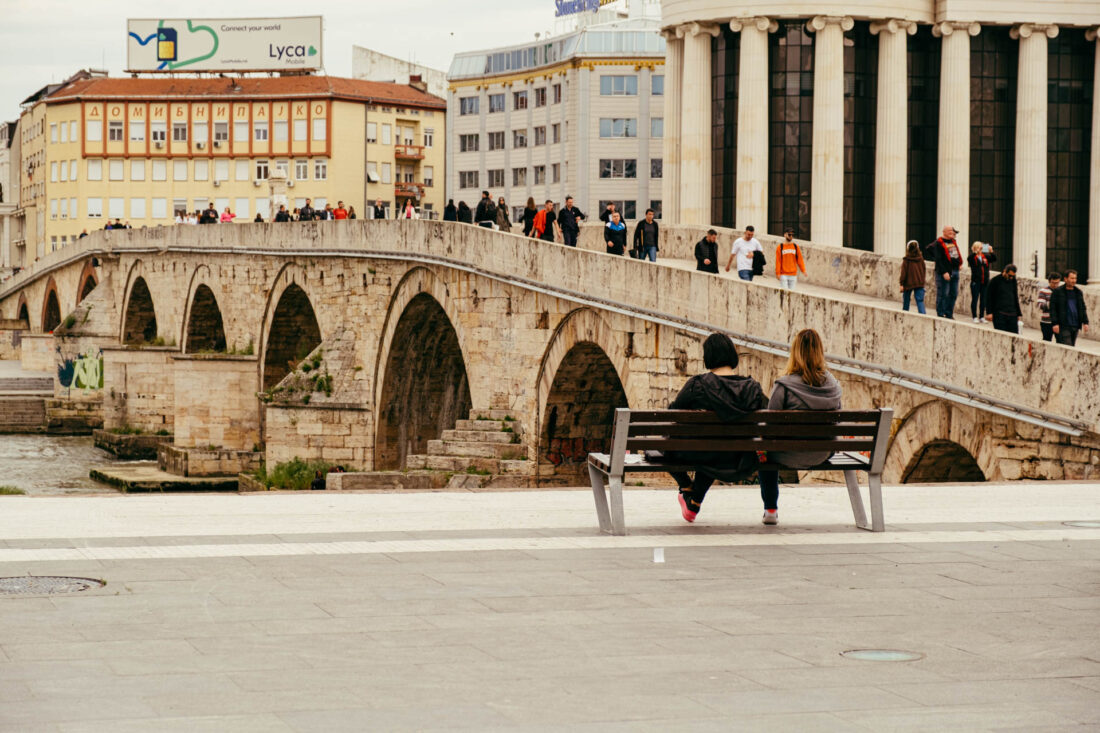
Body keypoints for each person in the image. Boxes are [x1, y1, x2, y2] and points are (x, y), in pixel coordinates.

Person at [666, 333, 767, 522]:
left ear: (708, 357)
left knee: (667, 445)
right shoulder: (753, 388)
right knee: (717, 447)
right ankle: (694, 501)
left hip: (704, 454)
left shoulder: (697, 385)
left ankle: (687, 487)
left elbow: (673, 413)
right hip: (740, 458)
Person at [757, 329, 842, 526]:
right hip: (823, 452)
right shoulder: (833, 386)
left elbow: (770, 427)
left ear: (794, 352)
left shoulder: (784, 386)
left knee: (764, 453)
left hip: (787, 454)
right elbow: (836, 422)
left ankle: (770, 508)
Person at [1050, 270, 1090, 347]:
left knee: (1072, 347)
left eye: (1075, 278)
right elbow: (1053, 308)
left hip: (1075, 325)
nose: (1074, 280)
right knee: (1067, 346)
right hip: (1063, 325)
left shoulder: (1078, 292)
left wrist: (1085, 322)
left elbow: (1082, 308)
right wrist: (1055, 323)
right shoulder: (1057, 292)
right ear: (1065, 279)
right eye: (1072, 278)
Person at [932, 225, 963, 318]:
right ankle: (941, 313)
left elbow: (955, 255)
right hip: (944, 272)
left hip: (955, 270)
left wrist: (959, 264)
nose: (952, 232)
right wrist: (944, 272)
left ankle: (949, 313)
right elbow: (939, 259)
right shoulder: (938, 243)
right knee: (943, 293)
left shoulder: (953, 242)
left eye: (952, 231)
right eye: (949, 230)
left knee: (954, 293)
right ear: (944, 232)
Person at [985, 264, 1022, 334]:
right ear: (1004, 271)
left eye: (1013, 276)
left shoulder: (1013, 281)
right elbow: (989, 297)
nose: (1011, 278)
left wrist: (1018, 313)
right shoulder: (995, 281)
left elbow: (1015, 297)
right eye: (1010, 275)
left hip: (1012, 314)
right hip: (999, 314)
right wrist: (989, 312)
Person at [967, 241, 996, 322]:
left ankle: (981, 316)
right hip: (976, 281)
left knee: (983, 299)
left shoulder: (985, 256)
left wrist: (991, 251)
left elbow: (994, 259)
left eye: (981, 247)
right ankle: (974, 316)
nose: (981, 249)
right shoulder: (972, 257)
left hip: (985, 281)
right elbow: (969, 259)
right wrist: (975, 252)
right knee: (975, 299)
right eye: (979, 247)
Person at [899, 240, 927, 314]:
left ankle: (905, 315)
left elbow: (903, 273)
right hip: (919, 283)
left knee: (906, 301)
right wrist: (922, 281)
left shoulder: (906, 260)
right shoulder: (921, 259)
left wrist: (901, 284)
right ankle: (923, 316)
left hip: (908, 283)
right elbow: (924, 270)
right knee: (920, 301)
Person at [1037, 272, 1061, 342]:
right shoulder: (1043, 291)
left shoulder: (1061, 292)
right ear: (1049, 281)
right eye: (1053, 283)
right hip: (1046, 322)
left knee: (1061, 342)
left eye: (1057, 283)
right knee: (1046, 341)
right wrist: (1052, 303)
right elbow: (1040, 305)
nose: (1056, 285)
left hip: (1059, 322)